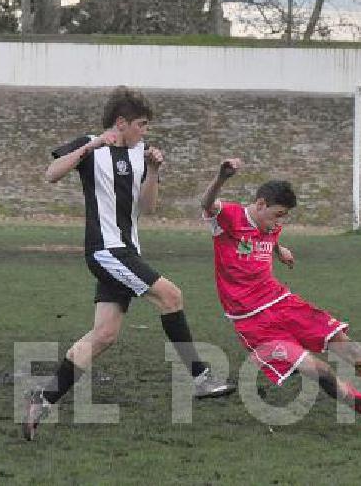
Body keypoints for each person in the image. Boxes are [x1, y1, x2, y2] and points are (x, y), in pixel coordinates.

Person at [21, 86, 236, 441]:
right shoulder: (90, 145)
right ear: (120, 122)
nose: (144, 132)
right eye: (140, 124)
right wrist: (89, 147)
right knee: (171, 296)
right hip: (106, 251)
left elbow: (148, 207)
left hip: (128, 251)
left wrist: (152, 171)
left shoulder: (139, 155)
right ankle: (200, 378)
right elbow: (51, 173)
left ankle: (41, 401)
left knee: (104, 335)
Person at [199, 159, 361, 433]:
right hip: (253, 322)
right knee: (322, 372)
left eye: (284, 217)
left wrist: (279, 250)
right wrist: (221, 178)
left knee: (350, 348)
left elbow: (266, 235)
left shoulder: (270, 226)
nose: (279, 222)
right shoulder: (229, 218)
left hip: (283, 303)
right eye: (277, 214)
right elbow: (207, 204)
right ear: (260, 205)